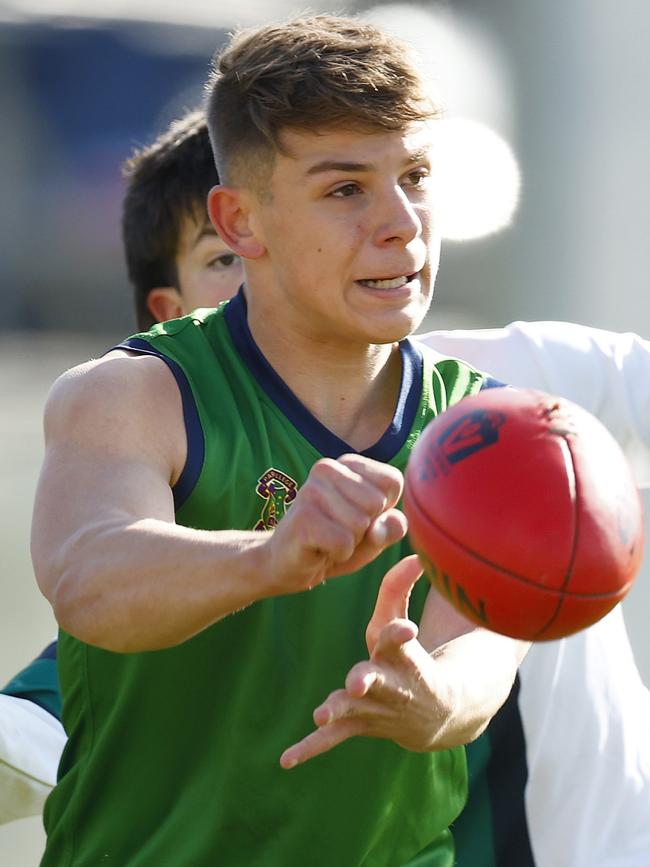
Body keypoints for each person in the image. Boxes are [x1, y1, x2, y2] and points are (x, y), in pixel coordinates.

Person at [5, 108, 650, 864]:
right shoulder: (142, 444)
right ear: (171, 309)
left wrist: (437, 697)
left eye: (408, 180)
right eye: (225, 259)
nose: (258, 271)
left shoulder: (503, 400)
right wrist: (266, 558)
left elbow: (478, 659)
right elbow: (42, 704)